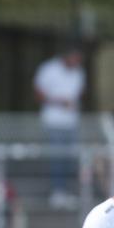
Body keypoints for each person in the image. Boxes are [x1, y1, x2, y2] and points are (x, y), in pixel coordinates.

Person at [34, 44, 85, 211]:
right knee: (56, 158)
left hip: (71, 122)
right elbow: (38, 93)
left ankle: (65, 190)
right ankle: (57, 192)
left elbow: (78, 94)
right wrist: (58, 102)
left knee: (69, 158)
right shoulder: (49, 69)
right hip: (53, 122)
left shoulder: (79, 73)